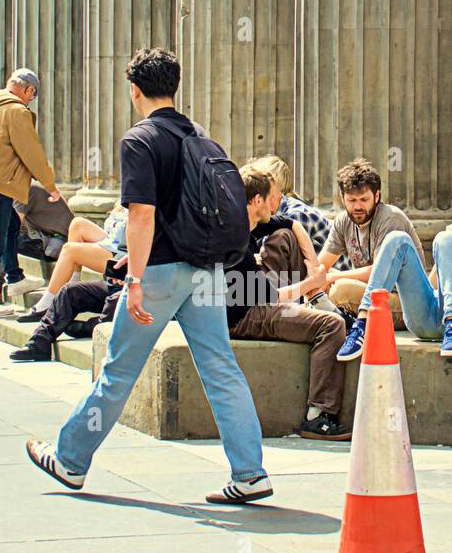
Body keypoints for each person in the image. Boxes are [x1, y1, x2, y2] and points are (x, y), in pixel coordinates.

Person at [24, 47, 271, 505]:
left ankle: (70, 459)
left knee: (118, 371)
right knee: (221, 368)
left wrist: (133, 281)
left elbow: (141, 217)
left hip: (159, 272)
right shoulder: (201, 137)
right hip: (206, 270)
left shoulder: (139, 140)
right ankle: (250, 472)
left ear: (133, 89)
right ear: (173, 87)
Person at [231, 166, 351, 440]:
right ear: (257, 201)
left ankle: (315, 300)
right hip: (243, 315)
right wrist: (311, 283)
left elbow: (290, 224)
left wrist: (313, 266)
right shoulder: (235, 244)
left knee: (286, 235)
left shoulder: (247, 220)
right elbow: (266, 297)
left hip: (255, 300)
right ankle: (319, 416)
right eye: (274, 196)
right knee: (331, 325)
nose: (279, 202)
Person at [336, 213, 452, 361]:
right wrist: (447, 263)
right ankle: (362, 324)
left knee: (446, 237)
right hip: (425, 323)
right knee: (397, 237)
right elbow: (429, 293)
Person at [0, 68, 61, 318]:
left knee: (9, 230)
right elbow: (31, 151)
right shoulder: (16, 111)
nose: (31, 100)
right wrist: (50, 184)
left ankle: (15, 278)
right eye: (32, 95)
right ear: (27, 90)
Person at [316, 159, 423, 329]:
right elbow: (322, 265)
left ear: (377, 196)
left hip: (404, 303)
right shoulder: (343, 220)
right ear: (342, 198)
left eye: (364, 199)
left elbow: (379, 272)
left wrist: (333, 278)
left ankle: (346, 326)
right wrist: (317, 280)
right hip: (369, 296)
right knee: (321, 279)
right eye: (352, 200)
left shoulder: (390, 219)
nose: (358, 206)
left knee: (341, 289)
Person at [19, 201, 128, 323]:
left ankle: (46, 304)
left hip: (124, 257)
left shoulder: (140, 202)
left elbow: (125, 238)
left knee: (69, 250)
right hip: (115, 244)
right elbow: (113, 233)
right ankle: (73, 283)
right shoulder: (125, 200)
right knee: (77, 224)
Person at [9, 278, 122, 362]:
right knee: (70, 290)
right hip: (119, 283)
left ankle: (87, 328)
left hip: (136, 287)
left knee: (116, 301)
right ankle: (39, 343)